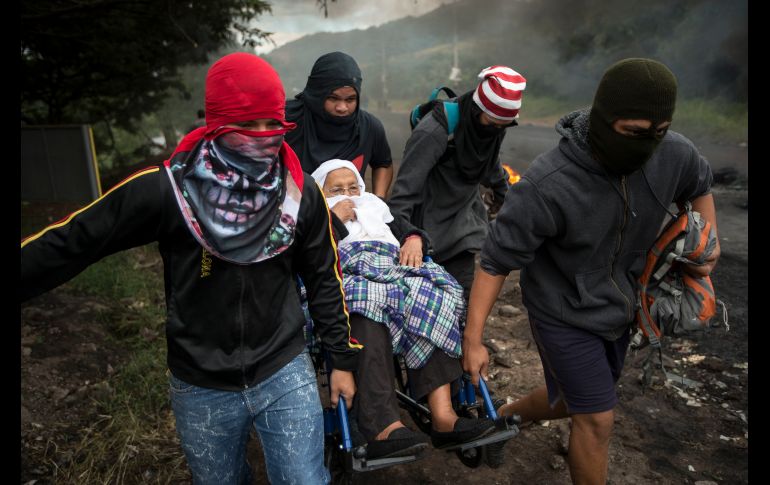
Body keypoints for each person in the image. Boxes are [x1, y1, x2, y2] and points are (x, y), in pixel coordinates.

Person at [20, 52, 360, 485]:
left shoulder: (298, 194)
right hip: (201, 383)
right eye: (247, 125)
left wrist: (341, 360)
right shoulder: (169, 190)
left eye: (270, 125)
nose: (261, 138)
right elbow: (76, 239)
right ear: (217, 123)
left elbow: (324, 277)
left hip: (283, 367)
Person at [462, 58, 719, 484]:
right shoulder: (549, 182)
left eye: (656, 133)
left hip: (623, 304)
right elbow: (495, 262)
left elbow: (699, 182)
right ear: (604, 121)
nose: (646, 146)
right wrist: (473, 340)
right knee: (597, 418)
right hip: (561, 310)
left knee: (575, 401)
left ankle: (507, 416)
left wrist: (707, 244)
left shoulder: (674, 152)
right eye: (633, 134)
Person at [309, 159, 499, 460]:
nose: (348, 194)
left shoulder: (375, 206)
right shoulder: (314, 214)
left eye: (353, 186)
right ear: (320, 192)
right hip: (349, 271)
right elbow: (305, 254)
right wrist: (331, 220)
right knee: (366, 308)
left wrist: (413, 239)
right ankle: (383, 425)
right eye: (336, 189)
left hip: (394, 267)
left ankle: (443, 415)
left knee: (433, 300)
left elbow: (410, 230)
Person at [387, 65, 526, 301]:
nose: (495, 131)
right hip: (427, 232)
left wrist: (506, 196)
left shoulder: (494, 128)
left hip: (464, 228)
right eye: (491, 124)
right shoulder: (434, 131)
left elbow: (490, 163)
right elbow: (403, 195)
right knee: (423, 306)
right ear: (477, 110)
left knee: (461, 302)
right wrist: (409, 235)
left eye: (503, 127)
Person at [285, 51, 394, 199]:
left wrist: (378, 201)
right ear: (317, 93)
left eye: (350, 100)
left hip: (348, 216)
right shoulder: (286, 121)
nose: (342, 107)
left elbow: (383, 164)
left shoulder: (369, 128)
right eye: (333, 98)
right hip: (293, 215)